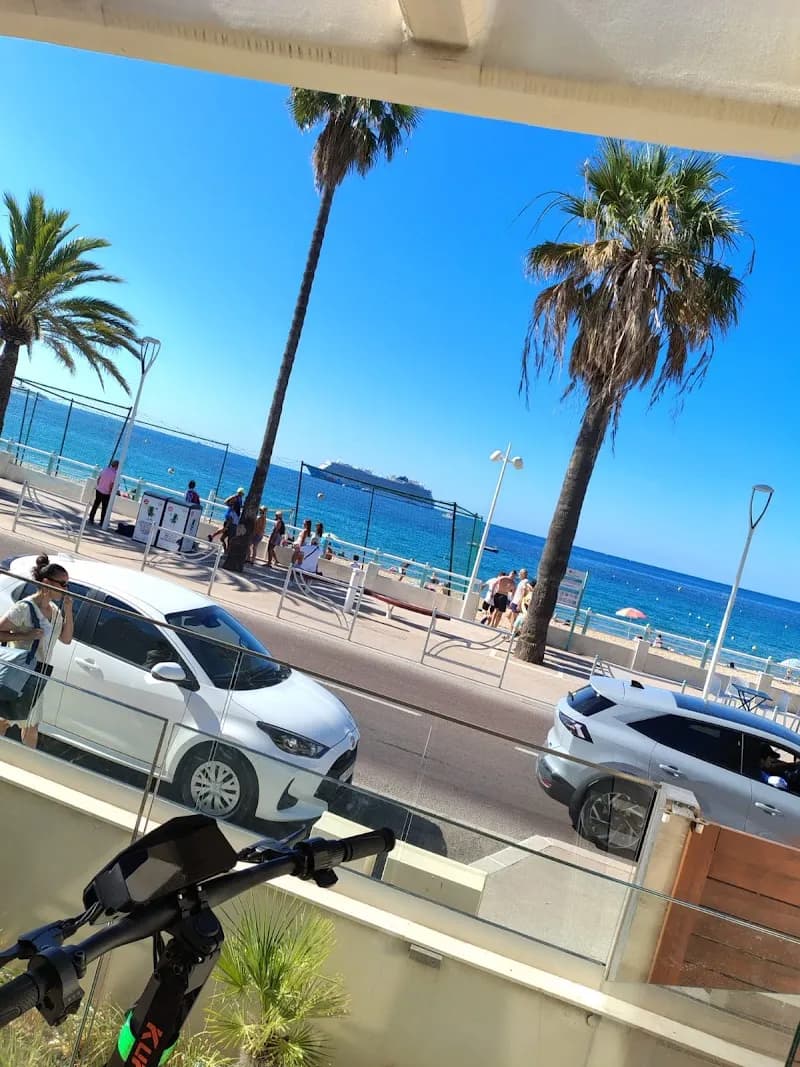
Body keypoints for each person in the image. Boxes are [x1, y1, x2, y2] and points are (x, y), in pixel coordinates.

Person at [0, 555, 74, 749]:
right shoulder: (25, 608)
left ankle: (25, 764)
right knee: (4, 720)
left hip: (37, 675)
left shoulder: (56, 611)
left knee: (31, 724)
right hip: (19, 673)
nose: (66, 588)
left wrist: (69, 610)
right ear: (48, 583)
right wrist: (27, 635)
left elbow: (66, 639)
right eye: (63, 584)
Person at [88, 459, 119, 525]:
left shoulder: (104, 469)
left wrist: (99, 486)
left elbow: (99, 479)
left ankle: (91, 518)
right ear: (116, 466)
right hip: (106, 493)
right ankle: (102, 522)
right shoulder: (114, 474)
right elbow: (111, 485)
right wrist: (110, 492)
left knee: (95, 505)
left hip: (99, 490)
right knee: (104, 508)